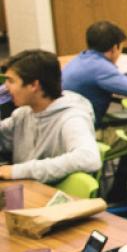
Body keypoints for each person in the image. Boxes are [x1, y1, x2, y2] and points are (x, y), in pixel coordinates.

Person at [0, 50, 100, 184]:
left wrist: (16, 171)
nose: (5, 88)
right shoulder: (23, 113)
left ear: (34, 85)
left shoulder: (72, 118)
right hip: (30, 190)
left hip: (55, 199)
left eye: (11, 81)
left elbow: (89, 158)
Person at [61, 20, 127, 125]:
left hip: (69, 122)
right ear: (115, 48)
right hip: (88, 129)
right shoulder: (102, 68)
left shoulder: (81, 58)